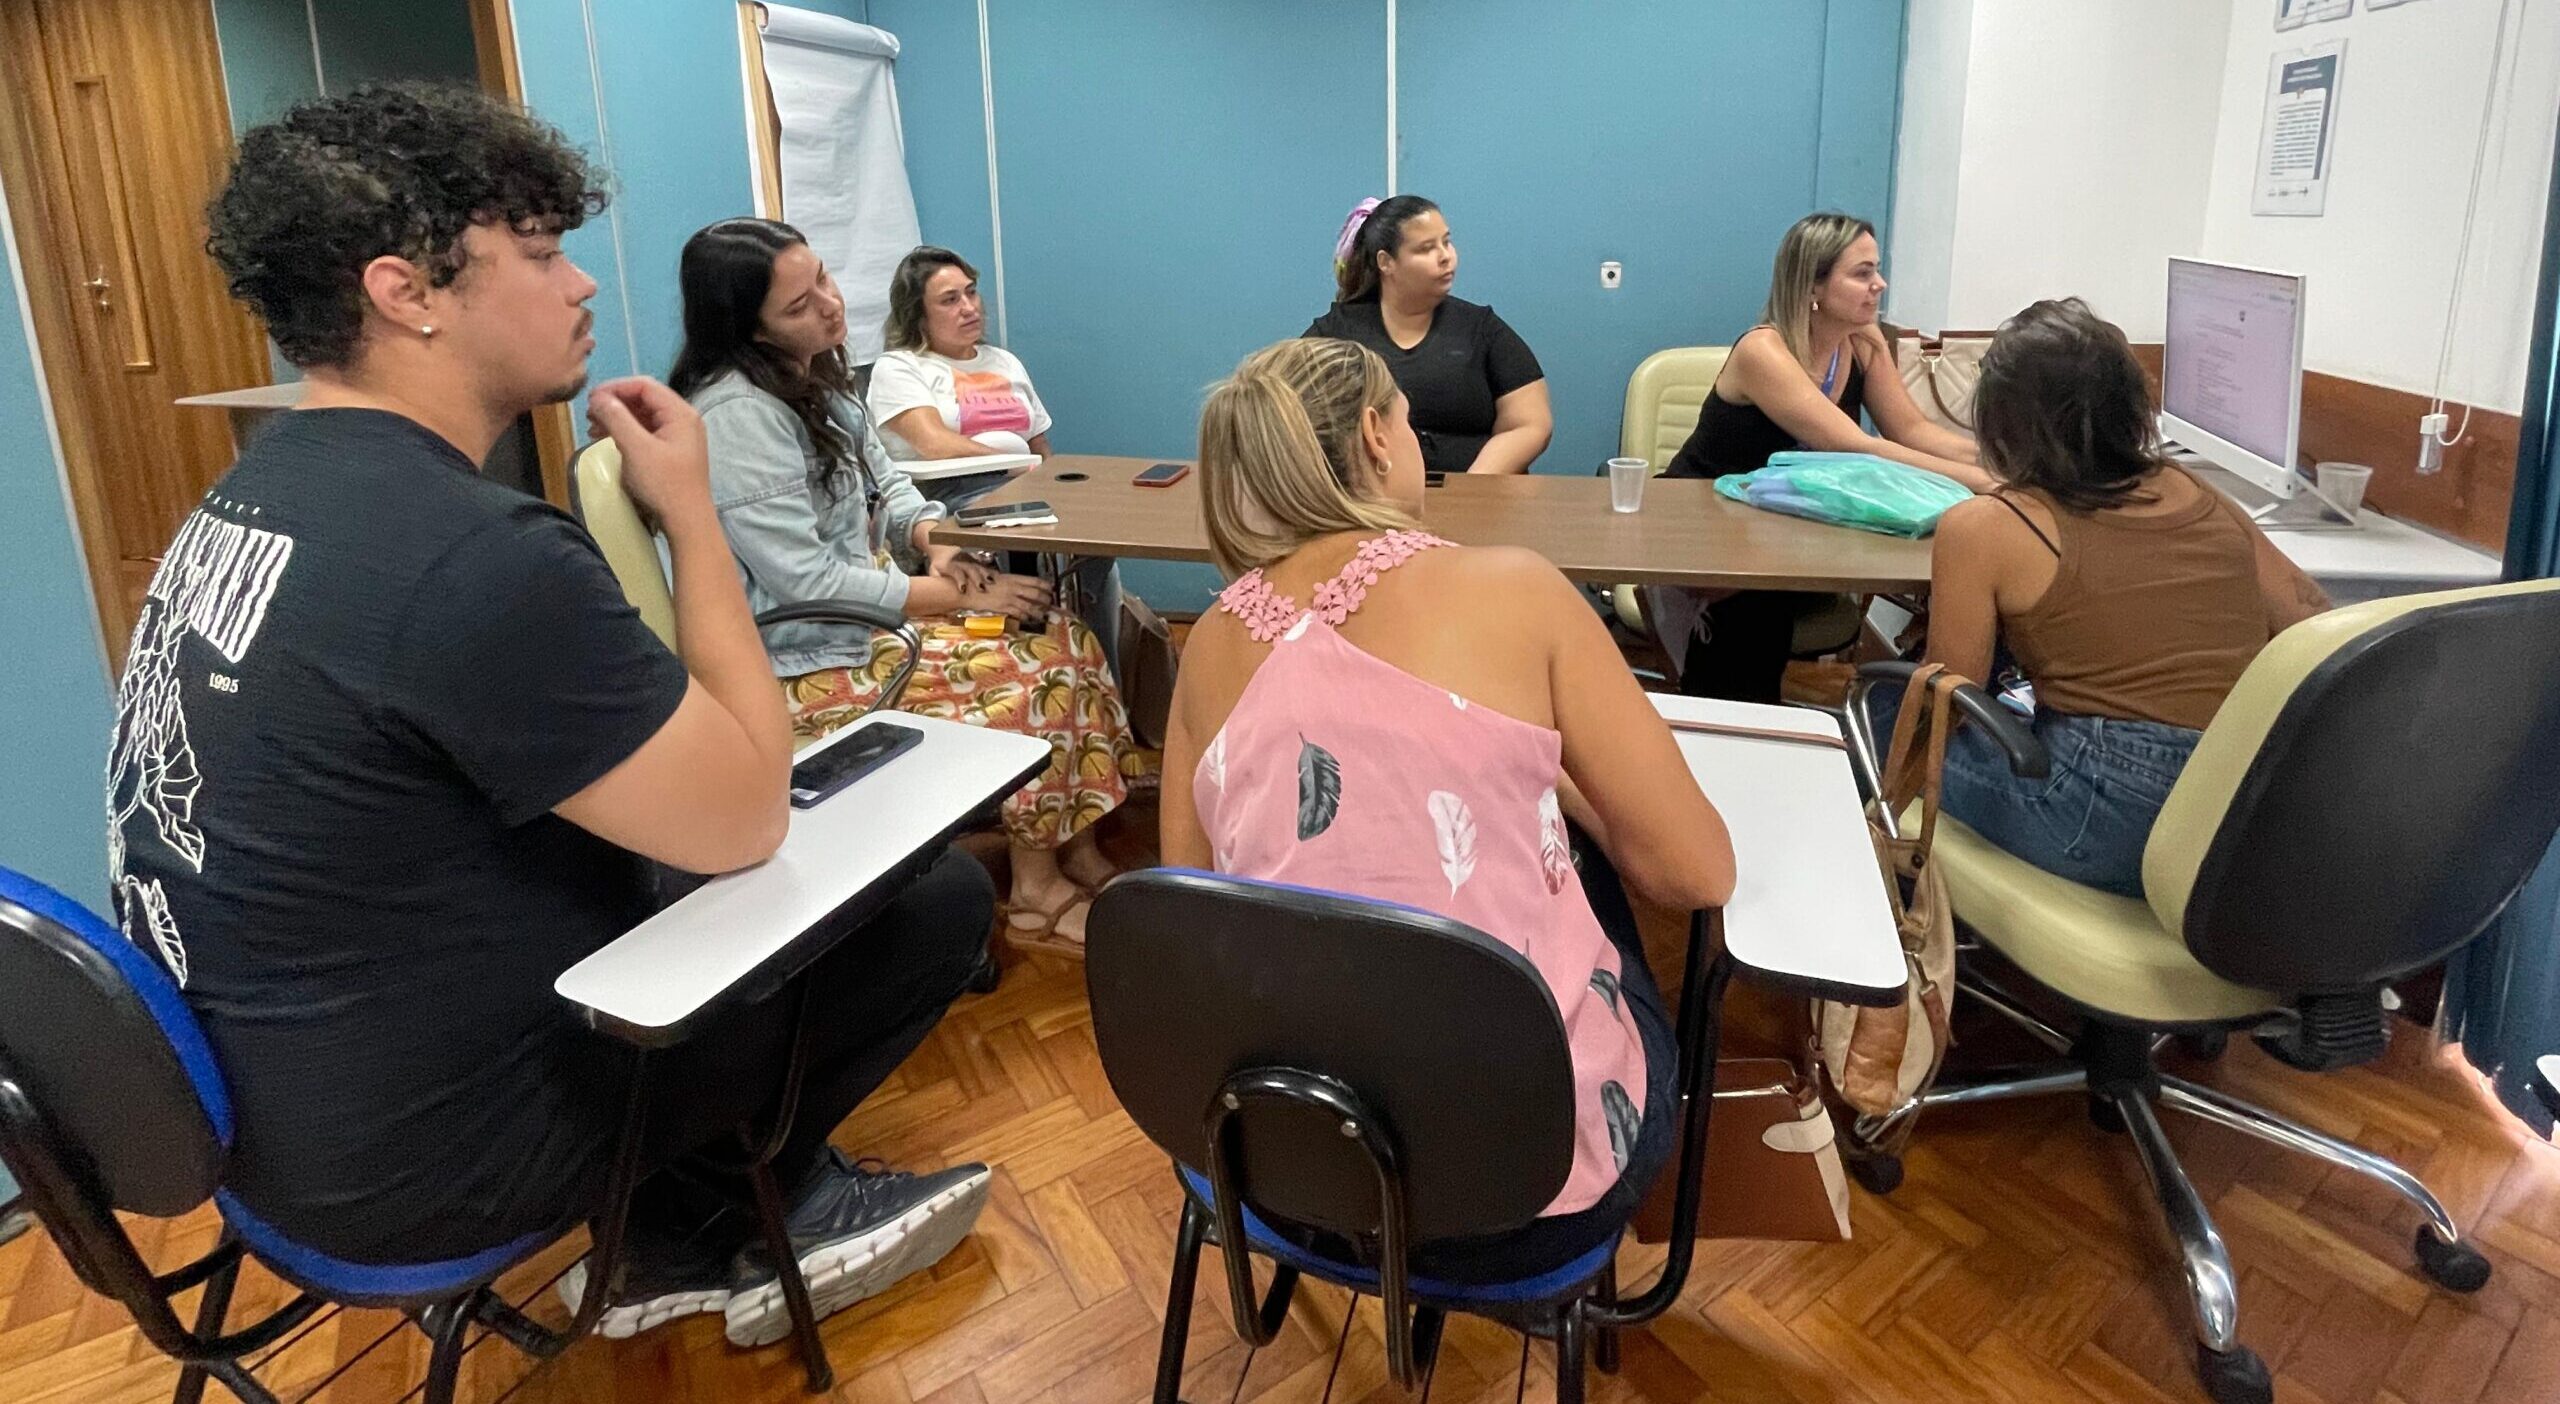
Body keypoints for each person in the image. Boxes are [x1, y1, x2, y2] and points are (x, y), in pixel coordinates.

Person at [141, 83, 991, 1349]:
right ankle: (694, 1226)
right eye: (537, 253)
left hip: (263, 1126)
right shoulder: (467, 555)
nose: (583, 284)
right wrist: (691, 515)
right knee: (933, 906)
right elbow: (745, 813)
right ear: (403, 292)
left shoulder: (244, 504)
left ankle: (692, 1223)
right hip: (427, 1165)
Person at [1161, 337, 1736, 1279]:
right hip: (1528, 1192)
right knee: (1595, 881)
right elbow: (1696, 871)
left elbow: (1193, 904)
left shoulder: (1213, 638)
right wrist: (1558, 784)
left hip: (1273, 1166)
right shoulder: (1515, 588)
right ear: (1379, 439)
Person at [671, 218, 1143, 955]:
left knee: (1065, 635)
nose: (829, 306)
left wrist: (936, 543)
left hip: (867, 625)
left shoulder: (817, 379)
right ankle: (1034, 890)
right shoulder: (737, 416)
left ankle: (1071, 845)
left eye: (823, 279)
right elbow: (807, 580)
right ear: (745, 329)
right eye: (799, 305)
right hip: (805, 660)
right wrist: (958, 596)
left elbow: (889, 488)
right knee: (1025, 673)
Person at [1886, 298, 2329, 897]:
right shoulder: (2197, 493)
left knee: (1878, 713)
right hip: (2243, 807)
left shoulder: (1984, 527)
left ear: (2000, 422)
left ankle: (1891, 938)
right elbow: (2311, 620)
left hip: (2107, 808)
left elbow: (1949, 702)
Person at [1654, 212, 1993, 704]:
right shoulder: (1763, 351)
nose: (1880, 284)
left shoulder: (1863, 342)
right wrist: (1990, 485)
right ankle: (1730, 725)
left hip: (1775, 522)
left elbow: (1913, 431)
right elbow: (1858, 446)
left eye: (1877, 269)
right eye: (1861, 273)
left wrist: (2003, 462)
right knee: (1757, 610)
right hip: (1701, 520)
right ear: (1812, 283)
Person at [866, 245, 1119, 663]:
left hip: (1024, 485)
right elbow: (934, 444)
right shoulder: (900, 367)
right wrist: (1011, 462)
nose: (969, 308)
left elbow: (1041, 448)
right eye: (950, 300)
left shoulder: (1003, 361)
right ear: (918, 313)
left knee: (1099, 530)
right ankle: (1042, 645)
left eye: (971, 293)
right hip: (947, 494)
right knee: (1031, 532)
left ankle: (1089, 646)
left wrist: (1059, 485)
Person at [1303, 196, 1551, 475]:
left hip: (1477, 503)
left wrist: (1471, 487)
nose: (1446, 256)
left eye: (1446, 241)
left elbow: (1530, 423)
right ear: (1386, 262)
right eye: (1426, 248)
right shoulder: (1335, 332)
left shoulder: (1482, 328)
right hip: (1368, 505)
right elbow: (1285, 414)